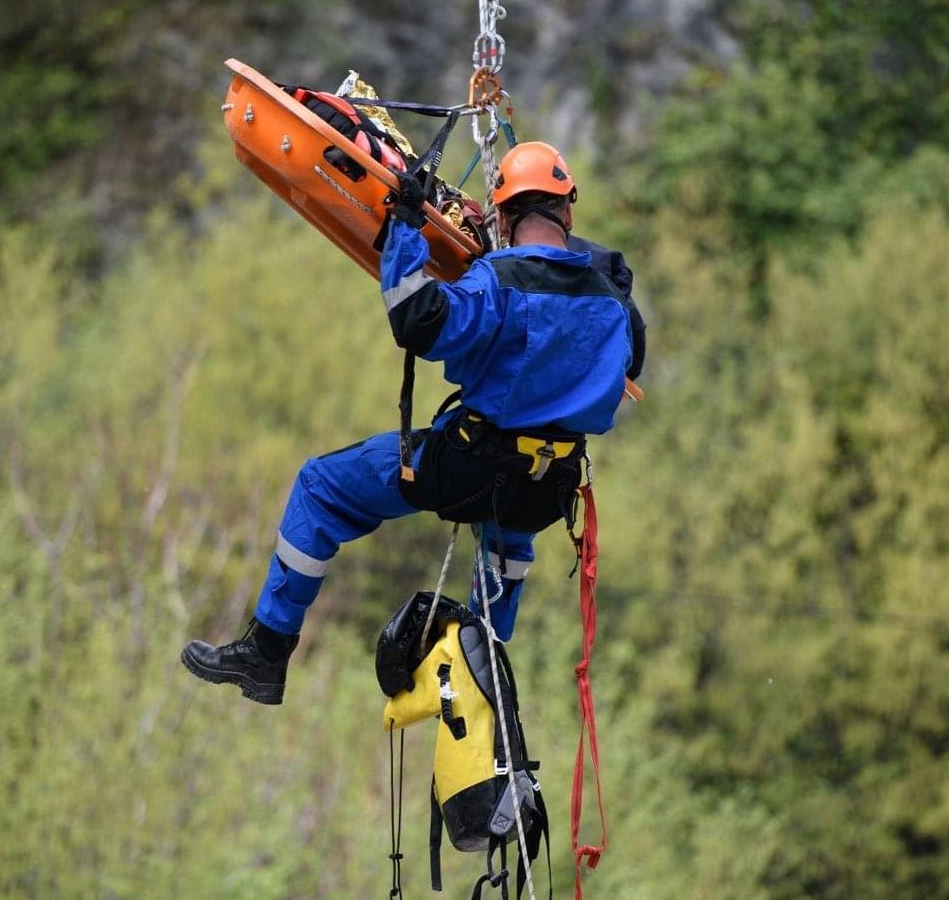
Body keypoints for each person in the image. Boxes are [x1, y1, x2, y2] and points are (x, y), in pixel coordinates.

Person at [181, 141, 644, 704]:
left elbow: (419, 320)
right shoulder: (611, 304)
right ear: (568, 212)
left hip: (473, 469)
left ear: (500, 217)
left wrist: (405, 227)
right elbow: (629, 358)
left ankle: (268, 652)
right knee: (508, 541)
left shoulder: (497, 283)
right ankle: (485, 677)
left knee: (321, 487)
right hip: (549, 488)